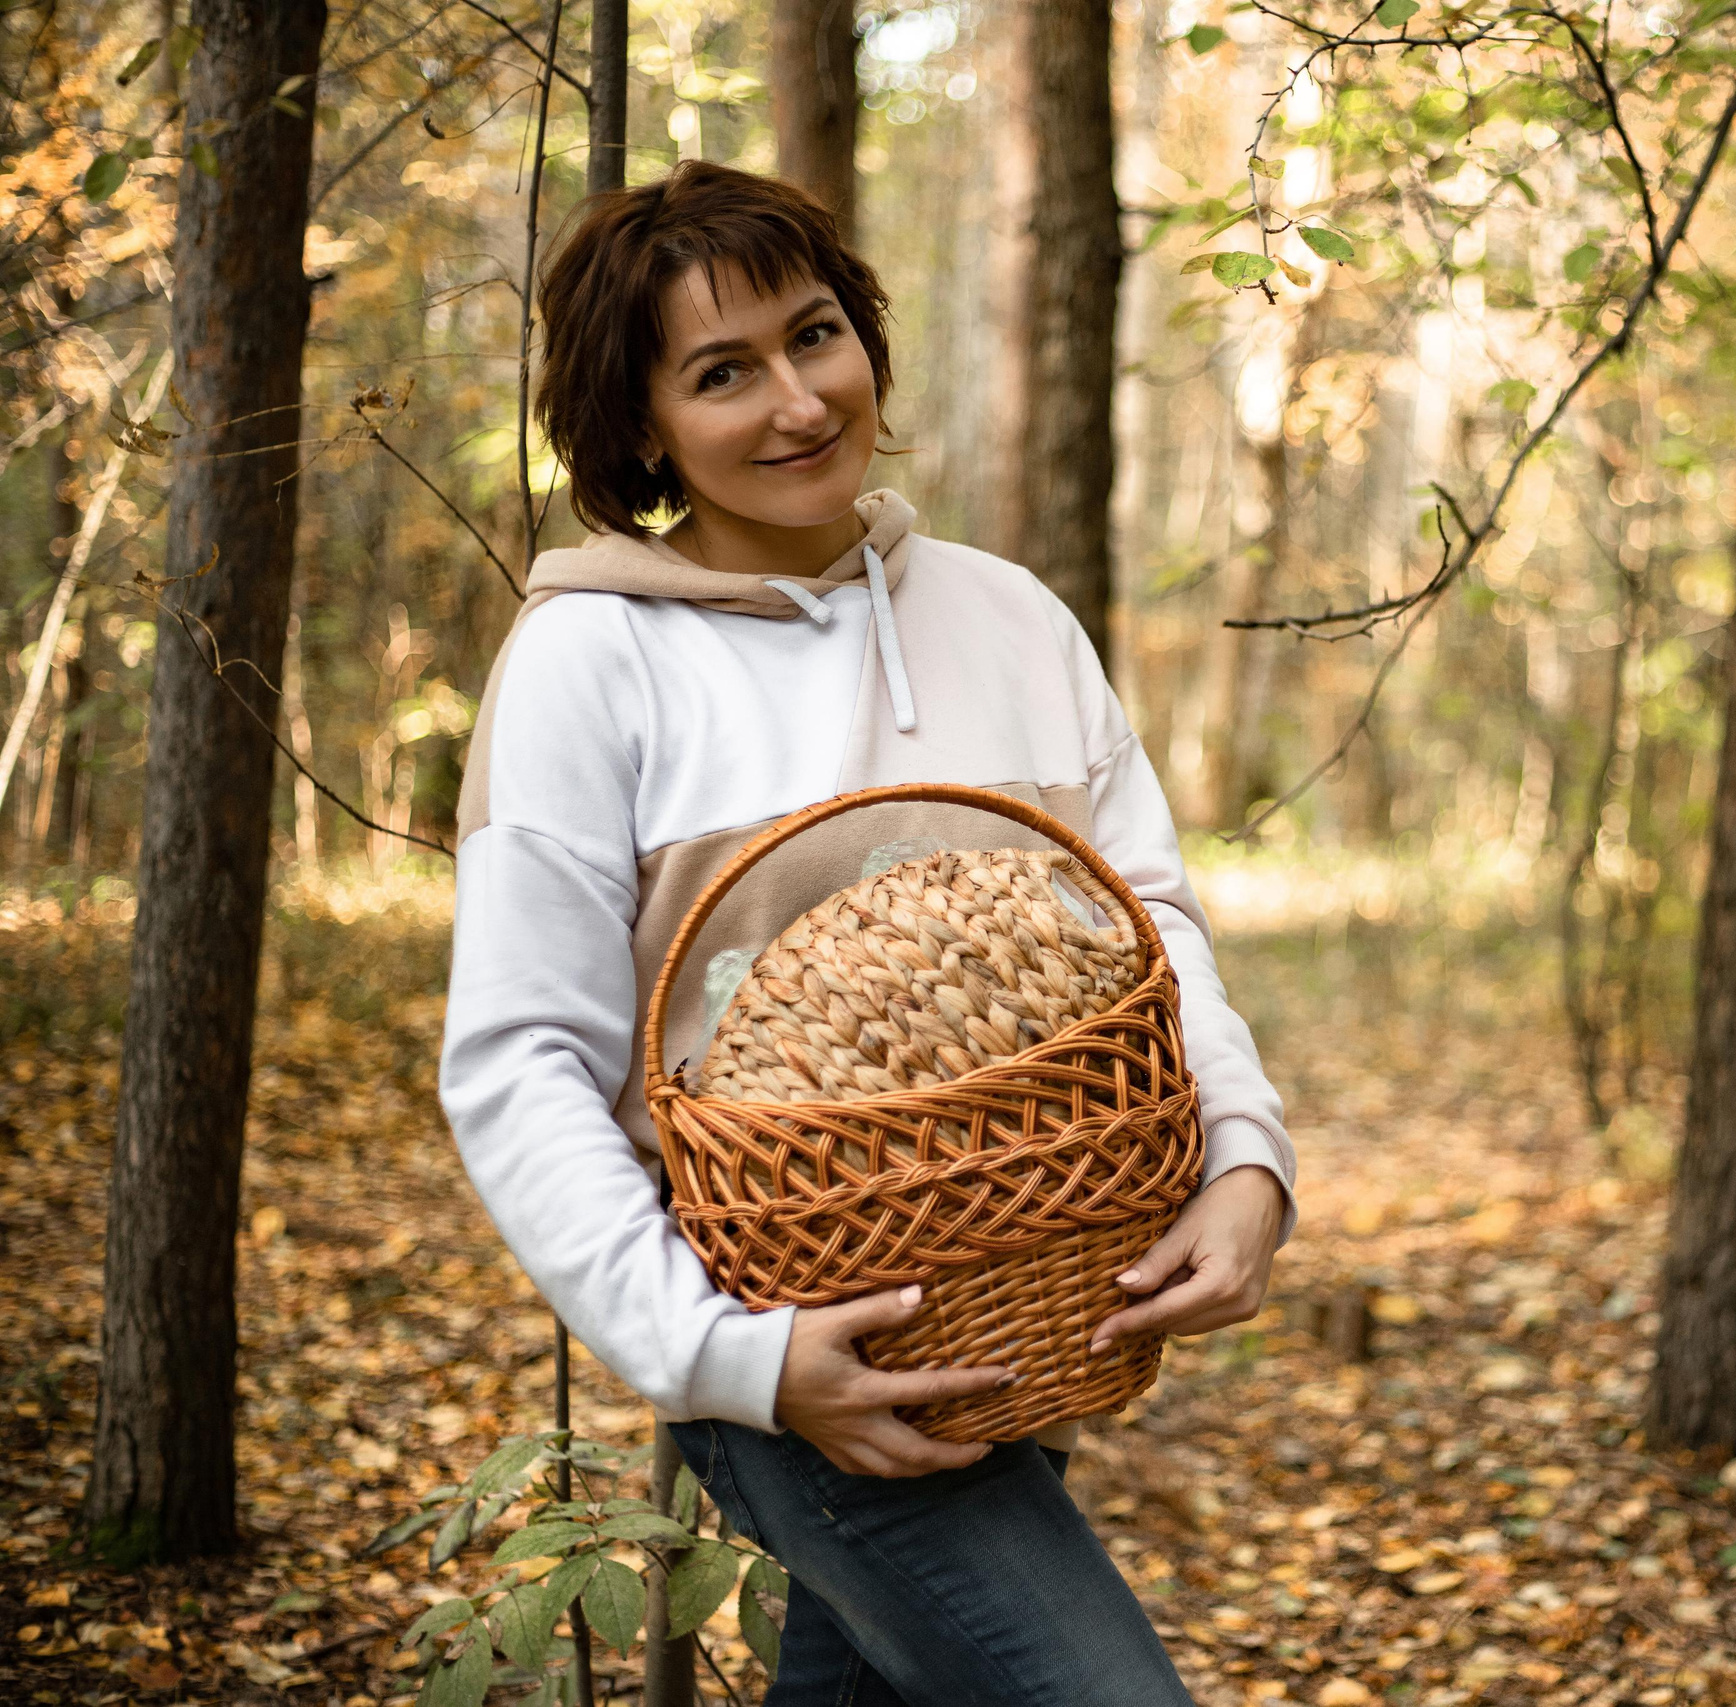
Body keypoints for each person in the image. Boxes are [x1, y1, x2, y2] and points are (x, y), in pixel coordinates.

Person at [438, 159, 1296, 1706]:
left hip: (1032, 1308)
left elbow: (1150, 922)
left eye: (814, 334)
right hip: (791, 1354)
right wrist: (734, 1365)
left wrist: (1243, 1157)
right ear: (641, 428)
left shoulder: (1010, 616)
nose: (795, 400)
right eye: (721, 372)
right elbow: (516, 1058)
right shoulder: (589, 662)